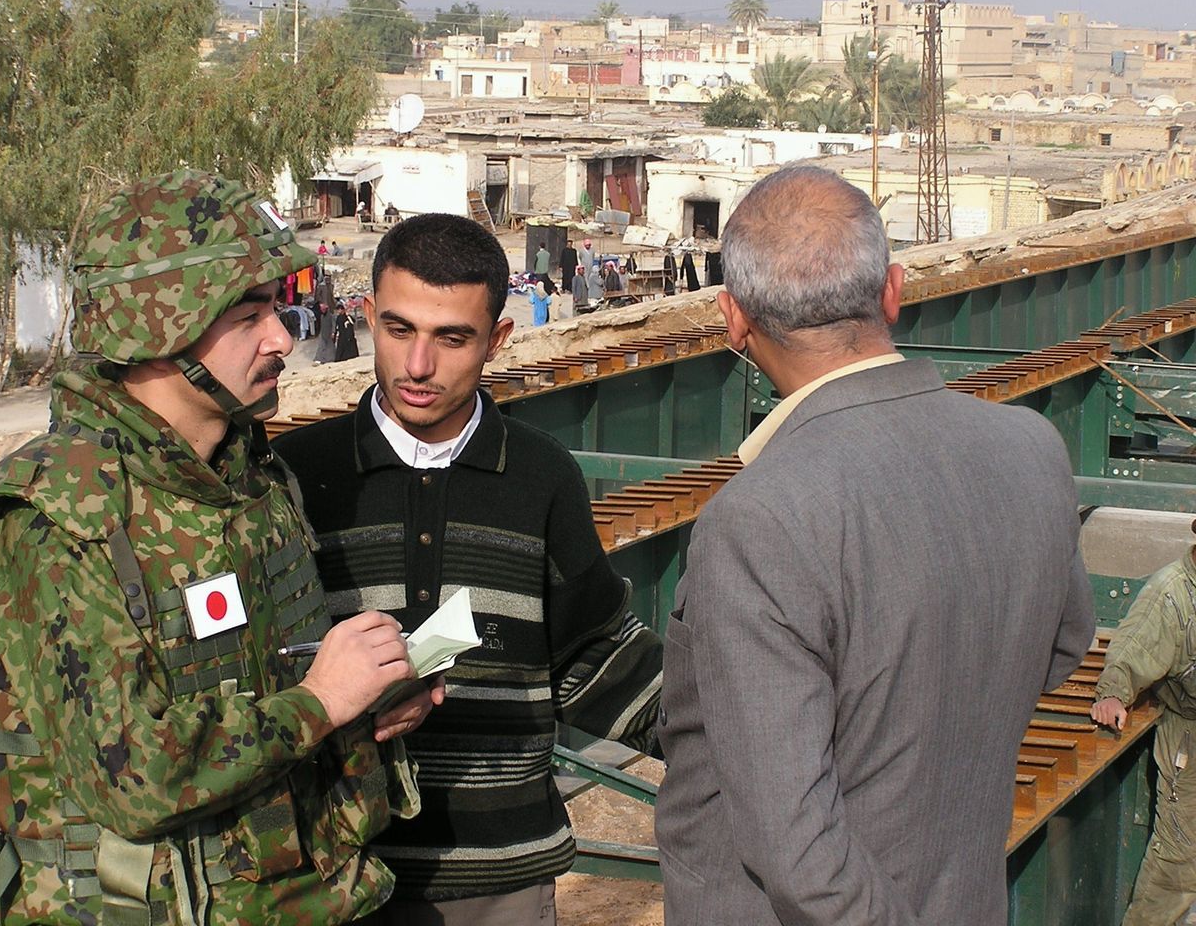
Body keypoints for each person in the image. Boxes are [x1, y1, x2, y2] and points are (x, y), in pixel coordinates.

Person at [0, 170, 442, 926]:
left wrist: (369, 700)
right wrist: (321, 700)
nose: (282, 337)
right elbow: (132, 776)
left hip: (312, 899)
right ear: (156, 329)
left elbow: (265, 678)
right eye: (248, 315)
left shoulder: (253, 479)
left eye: (277, 306)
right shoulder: (50, 519)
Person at [654, 165, 1095, 926]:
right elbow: (1063, 646)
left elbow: (799, 855)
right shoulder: (1031, 446)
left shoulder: (760, 517)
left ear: (731, 319)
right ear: (892, 291)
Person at [273, 213, 663, 925]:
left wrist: (734, 726)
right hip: (329, 877)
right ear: (366, 318)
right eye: (398, 330)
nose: (418, 366)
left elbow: (593, 657)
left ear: (498, 340)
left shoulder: (543, 475)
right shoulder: (299, 475)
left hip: (501, 882)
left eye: (451, 338)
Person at [1091, 528, 1196, 926]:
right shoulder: (1172, 592)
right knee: (1180, 860)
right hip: (1189, 734)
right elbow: (1132, 647)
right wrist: (1114, 693)